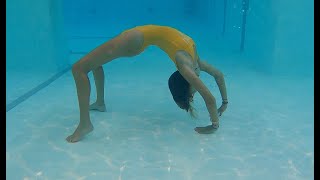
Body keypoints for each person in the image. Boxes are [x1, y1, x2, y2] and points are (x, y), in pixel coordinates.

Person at [67, 24, 228, 143]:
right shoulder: (187, 67)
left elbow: (218, 76)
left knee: (82, 66)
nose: (194, 93)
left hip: (137, 37)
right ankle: (92, 113)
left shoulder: (195, 62)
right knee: (80, 68)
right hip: (134, 39)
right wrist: (214, 125)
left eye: (192, 95)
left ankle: (90, 117)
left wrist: (225, 102)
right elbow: (210, 97)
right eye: (192, 94)